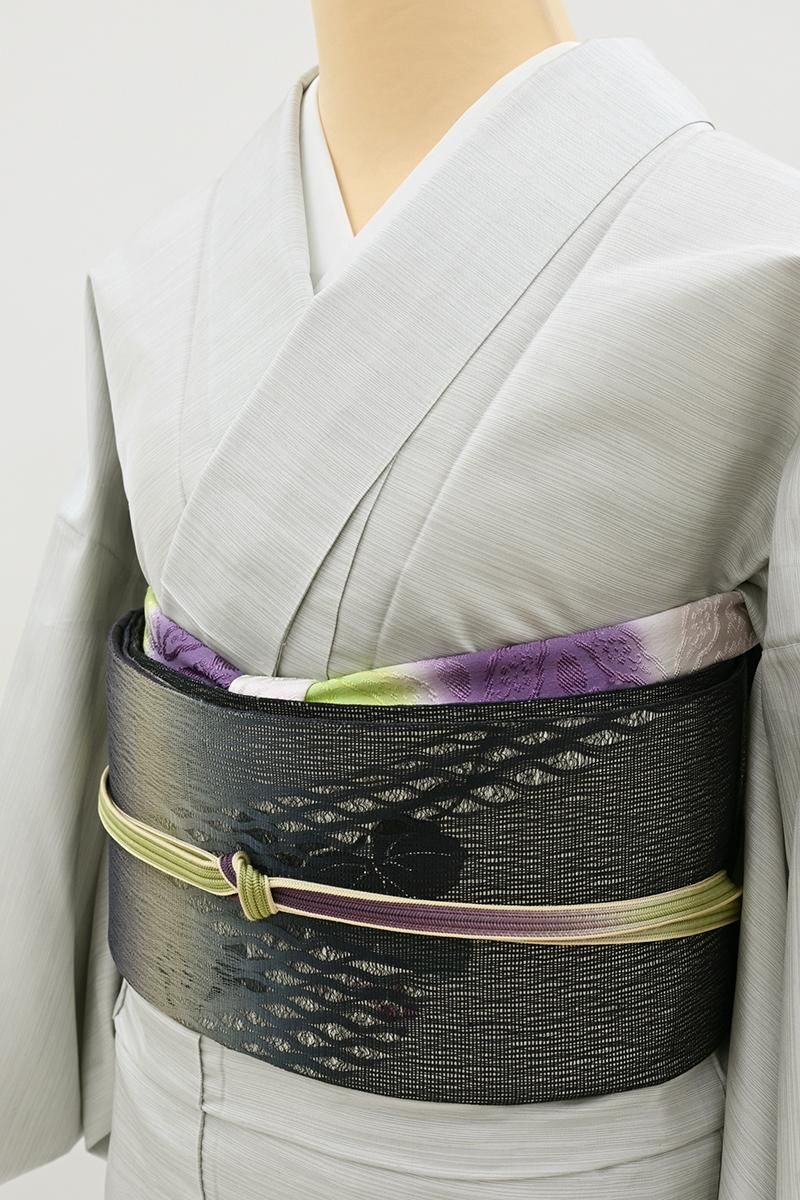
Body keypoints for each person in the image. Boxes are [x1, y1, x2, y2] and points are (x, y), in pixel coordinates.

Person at [2, 3, 799, 1197]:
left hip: (541, 1160)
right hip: (175, 1107)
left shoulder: (756, 268)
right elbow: (87, 663)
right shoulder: (161, 277)